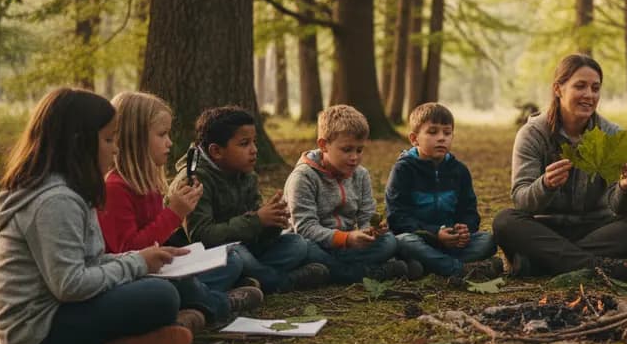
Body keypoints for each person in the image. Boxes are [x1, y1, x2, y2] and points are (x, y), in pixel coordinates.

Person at [0, 88, 192, 344]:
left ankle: (133, 341)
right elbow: (70, 285)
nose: (116, 148)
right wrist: (137, 264)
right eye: (109, 140)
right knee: (161, 296)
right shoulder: (55, 202)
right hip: (37, 329)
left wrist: (141, 258)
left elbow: (90, 263)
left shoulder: (73, 192)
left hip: (64, 309)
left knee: (164, 285)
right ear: (79, 143)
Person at [99, 92, 262, 332]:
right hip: (132, 276)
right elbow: (129, 250)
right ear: (136, 139)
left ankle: (197, 306)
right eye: (162, 135)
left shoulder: (149, 185)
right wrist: (174, 213)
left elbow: (158, 238)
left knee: (232, 261)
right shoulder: (115, 189)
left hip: (159, 269)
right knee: (178, 288)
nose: (170, 143)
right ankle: (219, 304)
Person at [492, 54, 627, 278]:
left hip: (597, 230)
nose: (589, 95)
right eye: (580, 86)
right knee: (505, 222)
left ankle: (543, 264)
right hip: (545, 230)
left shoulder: (611, 135)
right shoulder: (532, 134)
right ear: (558, 89)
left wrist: (626, 188)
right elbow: (521, 200)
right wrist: (546, 185)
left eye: (595, 88)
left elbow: (621, 208)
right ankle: (602, 267)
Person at [172, 106, 329, 292]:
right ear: (216, 151)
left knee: (297, 244)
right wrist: (257, 220)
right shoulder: (194, 180)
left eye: (254, 142)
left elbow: (255, 230)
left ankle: (249, 279)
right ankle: (281, 282)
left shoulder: (246, 175)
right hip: (208, 256)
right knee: (237, 256)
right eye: (244, 144)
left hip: (243, 247)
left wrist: (272, 223)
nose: (254, 150)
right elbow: (201, 236)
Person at [284, 104, 415, 283]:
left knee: (389, 241)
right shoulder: (303, 177)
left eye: (359, 150)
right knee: (302, 248)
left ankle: (335, 272)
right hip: (315, 244)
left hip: (347, 246)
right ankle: (365, 273)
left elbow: (366, 215)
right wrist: (344, 238)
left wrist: (372, 231)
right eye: (347, 150)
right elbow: (305, 228)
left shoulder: (361, 175)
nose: (354, 157)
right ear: (324, 145)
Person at [387, 102, 501, 285]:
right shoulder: (404, 170)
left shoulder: (459, 171)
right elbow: (397, 217)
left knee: (488, 241)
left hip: (453, 244)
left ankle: (427, 265)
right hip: (420, 239)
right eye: (433, 132)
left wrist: (464, 230)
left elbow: (469, 210)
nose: (441, 138)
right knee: (402, 241)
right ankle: (460, 270)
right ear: (414, 138)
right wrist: (434, 233)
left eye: (447, 133)